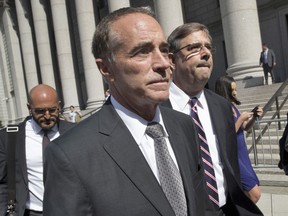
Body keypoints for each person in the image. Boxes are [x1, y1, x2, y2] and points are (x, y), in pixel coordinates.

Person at [43, 7, 206, 216]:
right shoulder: (70, 155)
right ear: (106, 68)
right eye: (142, 51)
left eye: (164, 50)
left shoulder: (184, 125)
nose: (164, 63)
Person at [163, 22, 263, 215]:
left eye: (208, 47)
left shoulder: (222, 106)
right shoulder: (154, 109)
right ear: (172, 60)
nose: (206, 53)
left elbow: (229, 164)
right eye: (194, 48)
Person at [0, 84, 75, 216]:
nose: (47, 116)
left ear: (59, 106)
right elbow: (3, 182)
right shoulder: (9, 138)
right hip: (30, 212)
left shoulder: (76, 132)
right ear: (29, 108)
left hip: (71, 210)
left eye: (52, 110)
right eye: (40, 111)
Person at [215, 75, 262, 203]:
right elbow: (225, 135)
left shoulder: (233, 106)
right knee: (255, 194)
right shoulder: (220, 109)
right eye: (232, 89)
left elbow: (245, 127)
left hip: (243, 155)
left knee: (249, 193)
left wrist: (254, 117)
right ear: (225, 90)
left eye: (235, 89)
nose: (235, 92)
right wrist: (241, 118)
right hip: (234, 157)